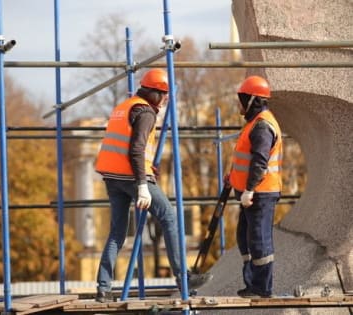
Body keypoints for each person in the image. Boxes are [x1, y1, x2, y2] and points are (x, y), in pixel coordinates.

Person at [94, 68, 210, 302]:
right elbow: (136, 148)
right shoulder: (146, 112)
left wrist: (147, 167)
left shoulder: (123, 107)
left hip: (112, 176)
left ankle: (103, 288)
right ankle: (183, 277)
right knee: (169, 216)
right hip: (131, 177)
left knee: (117, 232)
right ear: (154, 92)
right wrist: (142, 184)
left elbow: (130, 147)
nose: (166, 99)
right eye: (164, 94)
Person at [228, 75, 283, 298]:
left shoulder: (262, 126)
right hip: (251, 193)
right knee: (245, 237)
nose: (238, 103)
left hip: (260, 193)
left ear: (253, 100)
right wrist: (231, 176)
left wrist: (249, 189)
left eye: (241, 99)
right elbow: (245, 157)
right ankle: (252, 283)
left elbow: (260, 162)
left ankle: (262, 289)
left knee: (259, 240)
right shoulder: (254, 123)